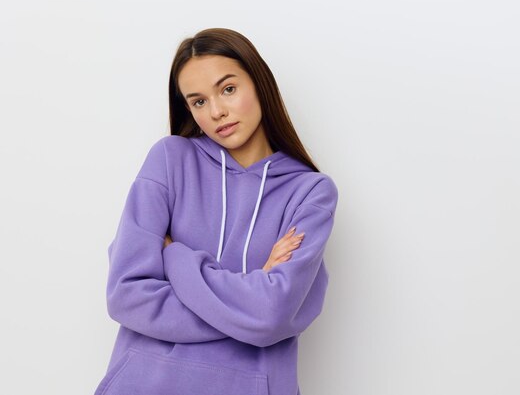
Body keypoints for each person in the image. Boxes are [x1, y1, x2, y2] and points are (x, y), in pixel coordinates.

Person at [93, 28, 339, 395]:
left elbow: (271, 315)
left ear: (259, 83)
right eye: (198, 101)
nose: (217, 112)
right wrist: (249, 299)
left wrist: (174, 255)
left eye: (228, 89)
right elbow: (126, 294)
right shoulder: (170, 160)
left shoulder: (310, 192)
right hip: (144, 384)